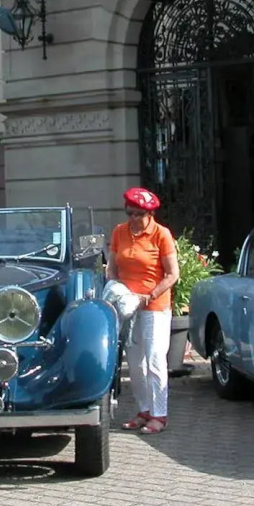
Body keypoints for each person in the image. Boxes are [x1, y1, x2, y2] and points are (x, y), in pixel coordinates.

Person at [109, 186, 179, 436]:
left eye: (140, 214)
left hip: (154, 306)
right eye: (131, 213)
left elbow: (172, 274)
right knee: (135, 363)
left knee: (155, 360)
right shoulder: (119, 232)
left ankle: (160, 414)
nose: (135, 218)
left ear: (150, 214)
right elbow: (112, 267)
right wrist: (118, 290)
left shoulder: (161, 234)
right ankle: (144, 410)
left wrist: (149, 295)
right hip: (129, 305)